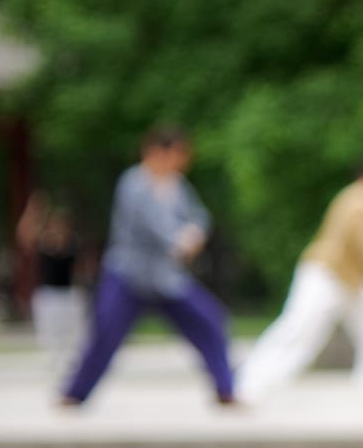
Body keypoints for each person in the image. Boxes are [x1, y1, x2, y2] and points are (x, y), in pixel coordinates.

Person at [61, 126, 237, 406]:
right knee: (105, 333)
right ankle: (74, 394)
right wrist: (182, 241)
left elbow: (199, 215)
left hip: (167, 279)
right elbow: (151, 224)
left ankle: (227, 389)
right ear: (158, 152)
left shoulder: (178, 186)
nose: (183, 163)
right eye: (179, 155)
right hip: (128, 276)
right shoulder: (133, 183)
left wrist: (196, 233)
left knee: (210, 321)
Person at [236, 154, 363, 400]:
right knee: (299, 329)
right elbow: (362, 247)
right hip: (328, 275)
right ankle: (249, 380)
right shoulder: (362, 199)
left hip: (349, 278)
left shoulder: (361, 198)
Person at [17, 192, 86, 374]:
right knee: (49, 333)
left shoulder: (72, 243)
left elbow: (80, 267)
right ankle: (53, 363)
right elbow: (24, 235)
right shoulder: (43, 243)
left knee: (74, 335)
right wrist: (33, 211)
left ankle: (74, 365)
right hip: (48, 294)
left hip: (68, 293)